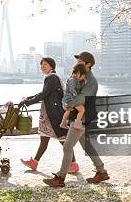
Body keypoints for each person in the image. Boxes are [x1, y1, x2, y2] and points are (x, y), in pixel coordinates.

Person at [43, 51, 109, 187]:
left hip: (83, 117)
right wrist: (65, 103)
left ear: (88, 64)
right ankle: (102, 172)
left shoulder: (91, 81)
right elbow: (68, 92)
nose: (77, 62)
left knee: (67, 146)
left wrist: (68, 104)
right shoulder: (76, 75)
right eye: (77, 60)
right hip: (76, 115)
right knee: (87, 146)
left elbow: (82, 98)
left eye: (80, 61)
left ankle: (60, 178)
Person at [19, 57, 79, 173]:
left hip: (54, 114)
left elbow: (44, 94)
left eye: (45, 64)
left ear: (51, 66)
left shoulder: (52, 78)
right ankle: (34, 162)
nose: (42, 66)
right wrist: (28, 99)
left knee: (63, 139)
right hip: (49, 114)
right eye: (41, 65)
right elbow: (44, 94)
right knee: (44, 139)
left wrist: (28, 102)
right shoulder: (51, 78)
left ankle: (73, 164)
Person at [60, 63, 87, 131]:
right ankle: (77, 123)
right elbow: (72, 89)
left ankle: (63, 123)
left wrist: (83, 80)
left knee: (68, 111)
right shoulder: (73, 79)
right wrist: (76, 96)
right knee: (82, 110)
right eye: (81, 74)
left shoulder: (73, 79)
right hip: (70, 99)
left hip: (67, 99)